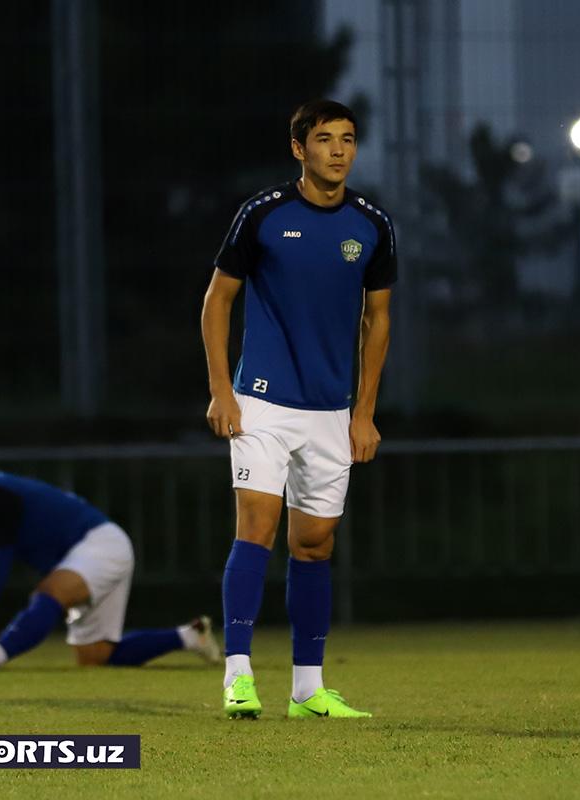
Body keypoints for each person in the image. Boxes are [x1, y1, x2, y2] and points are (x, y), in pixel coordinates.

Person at [201, 98, 396, 719]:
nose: (338, 150)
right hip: (261, 401)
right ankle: (237, 676)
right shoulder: (263, 213)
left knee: (314, 544)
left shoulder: (372, 224)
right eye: (325, 138)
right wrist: (221, 390)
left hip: (331, 411)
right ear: (298, 148)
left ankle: (308, 690)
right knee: (257, 528)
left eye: (348, 138)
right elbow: (217, 300)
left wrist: (364, 412)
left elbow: (378, 319)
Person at [0, 435, 220, 670]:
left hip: (99, 544)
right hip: (84, 553)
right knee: (96, 657)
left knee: (50, 590)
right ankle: (190, 636)